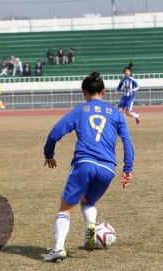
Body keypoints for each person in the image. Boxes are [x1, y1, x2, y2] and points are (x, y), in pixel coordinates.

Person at [43, 72, 134, 262]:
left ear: (84, 93)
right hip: (108, 168)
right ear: (104, 91)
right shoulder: (116, 113)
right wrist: (127, 169)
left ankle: (59, 248)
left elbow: (54, 133)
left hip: (84, 163)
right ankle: (91, 226)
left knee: (65, 209)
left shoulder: (81, 110)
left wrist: (49, 154)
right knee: (87, 202)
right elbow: (127, 141)